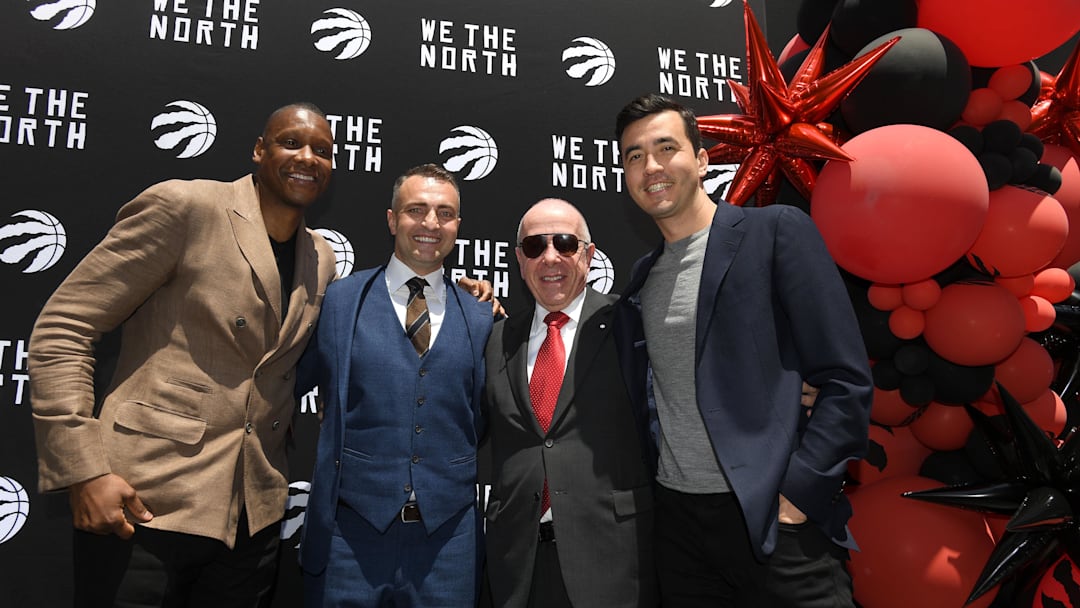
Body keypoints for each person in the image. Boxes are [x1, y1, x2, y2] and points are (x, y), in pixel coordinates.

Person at [28, 102, 340, 606]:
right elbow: (66, 326)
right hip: (145, 503)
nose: (307, 157)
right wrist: (83, 470)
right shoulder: (185, 207)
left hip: (250, 523)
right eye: (291, 143)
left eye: (322, 151)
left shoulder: (321, 257)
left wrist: (449, 300)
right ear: (259, 151)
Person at [612, 93, 874, 607]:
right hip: (680, 530)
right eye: (634, 156)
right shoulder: (641, 279)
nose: (651, 166)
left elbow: (846, 377)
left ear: (703, 159)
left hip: (774, 523)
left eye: (666, 147)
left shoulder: (774, 232)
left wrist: (799, 492)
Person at [297, 163, 494, 607]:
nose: (430, 223)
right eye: (416, 210)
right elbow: (282, 386)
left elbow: (485, 416)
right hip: (351, 536)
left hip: (449, 541)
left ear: (458, 226)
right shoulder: (339, 302)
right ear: (391, 219)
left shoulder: (483, 315)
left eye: (444, 213)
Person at [481, 198, 658, 607]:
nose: (550, 258)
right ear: (519, 260)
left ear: (589, 254)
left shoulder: (632, 325)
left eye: (564, 243)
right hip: (518, 567)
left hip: (614, 562)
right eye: (534, 247)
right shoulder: (494, 339)